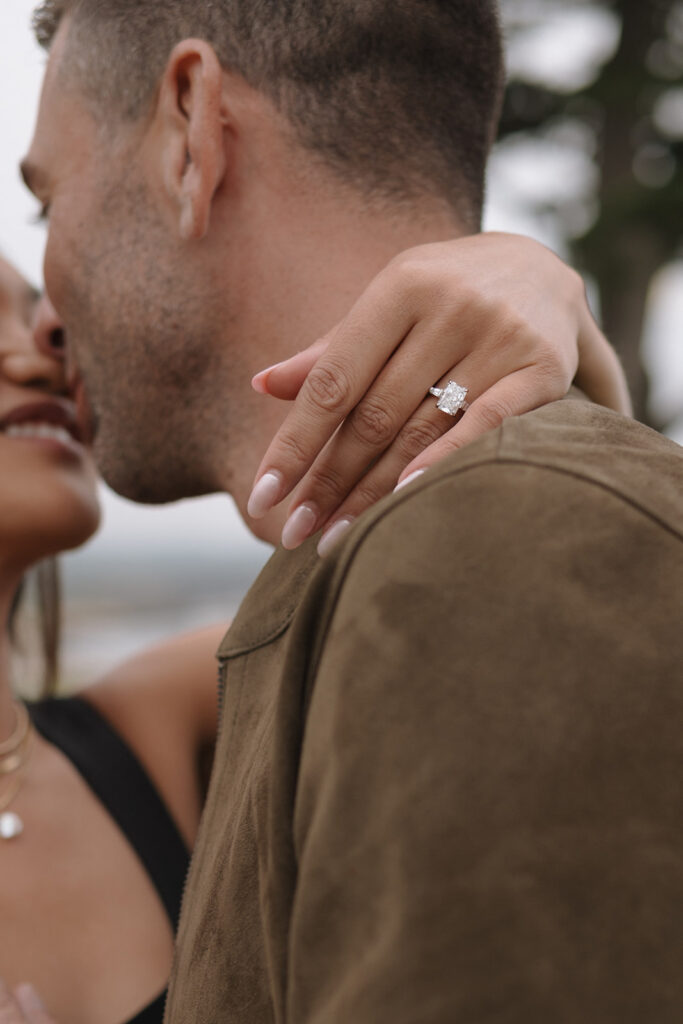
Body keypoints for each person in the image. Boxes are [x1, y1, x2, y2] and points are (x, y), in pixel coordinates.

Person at [9, 0, 683, 1020]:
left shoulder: (492, 545)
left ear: (192, 130)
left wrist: (542, 320)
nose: (46, 332)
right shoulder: (329, 597)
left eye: (46, 203)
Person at [0, 236, 631, 1024]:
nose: (35, 355)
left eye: (31, 316)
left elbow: (538, 605)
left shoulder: (161, 716)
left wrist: (538, 286)